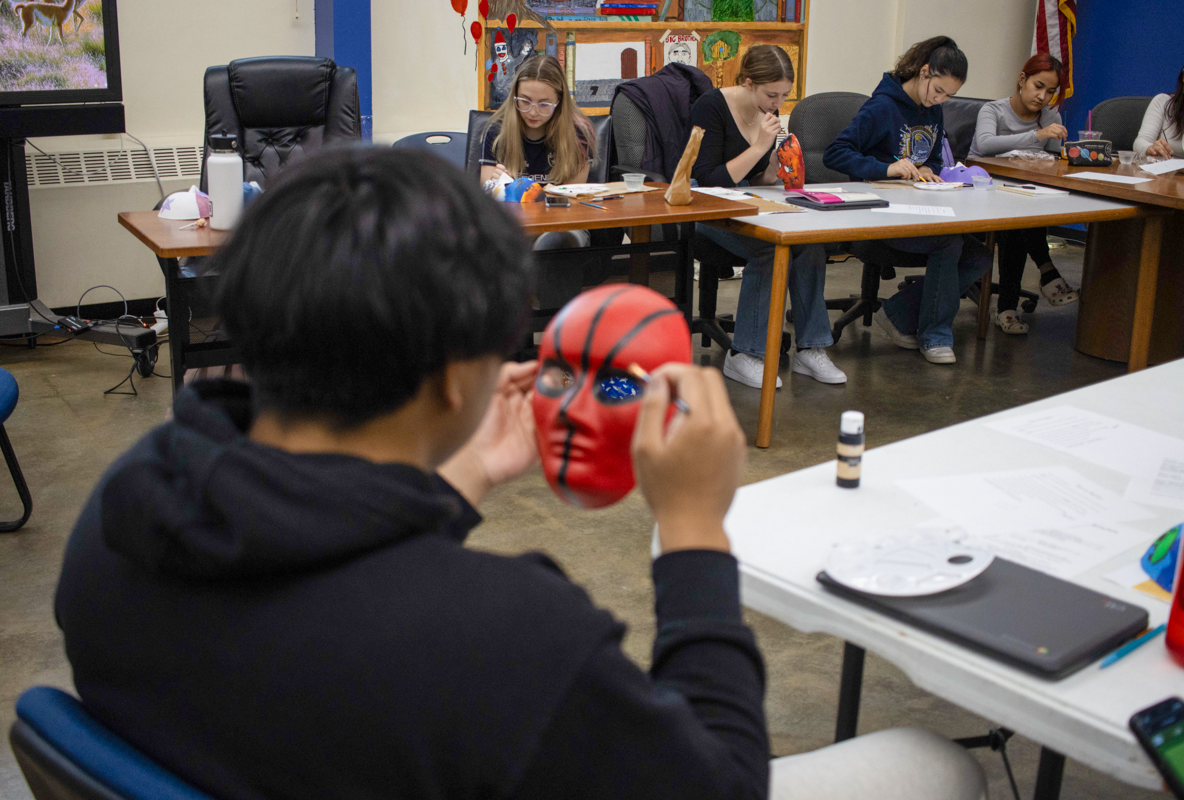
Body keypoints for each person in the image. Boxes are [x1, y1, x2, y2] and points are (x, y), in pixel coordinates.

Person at [54, 148, 986, 800]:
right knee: (934, 769)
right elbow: (720, 785)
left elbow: (320, 591)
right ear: (463, 371)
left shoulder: (125, 508)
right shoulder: (509, 641)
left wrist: (449, 485)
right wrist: (696, 532)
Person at [824, 36, 993, 365]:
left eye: (948, 95)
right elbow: (836, 153)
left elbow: (933, 159)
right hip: (877, 217)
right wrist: (885, 168)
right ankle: (935, 334)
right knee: (948, 243)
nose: (940, 100)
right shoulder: (882, 107)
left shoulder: (934, 110)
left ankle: (898, 313)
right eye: (938, 90)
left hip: (917, 209)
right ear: (925, 72)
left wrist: (928, 170)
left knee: (979, 256)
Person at [691, 44, 843, 389]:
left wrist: (773, 169)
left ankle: (812, 348)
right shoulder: (711, 107)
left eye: (784, 95)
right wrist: (760, 146)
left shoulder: (767, 115)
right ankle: (745, 354)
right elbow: (710, 180)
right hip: (705, 207)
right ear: (748, 83)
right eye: (771, 94)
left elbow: (753, 181)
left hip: (748, 203)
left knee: (809, 245)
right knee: (770, 248)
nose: (778, 103)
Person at [968, 53, 1078, 333]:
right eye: (1038, 86)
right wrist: (1036, 136)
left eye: (1051, 92)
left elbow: (1054, 158)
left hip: (1025, 193)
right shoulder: (994, 110)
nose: (1043, 97)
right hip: (983, 192)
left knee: (1022, 217)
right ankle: (1044, 273)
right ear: (1022, 80)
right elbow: (985, 145)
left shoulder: (1050, 115)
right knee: (1016, 223)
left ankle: (1007, 307)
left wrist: (1056, 153)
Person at [480, 54, 596, 307]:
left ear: (560, 102)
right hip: (514, 224)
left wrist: (524, 188)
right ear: (514, 98)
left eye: (544, 104)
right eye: (525, 102)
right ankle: (516, 336)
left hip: (563, 225)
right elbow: (486, 192)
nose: (533, 112)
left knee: (557, 242)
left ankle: (558, 331)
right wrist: (499, 185)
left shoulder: (579, 133)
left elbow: (574, 201)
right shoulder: (497, 131)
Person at [1134, 49, 1184, 158]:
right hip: (1164, 173)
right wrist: (1150, 148)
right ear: (1183, 76)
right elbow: (1140, 142)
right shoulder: (1163, 103)